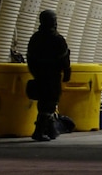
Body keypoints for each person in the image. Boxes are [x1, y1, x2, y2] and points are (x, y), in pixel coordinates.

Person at [25, 8, 70, 142]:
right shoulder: (57, 39)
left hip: (39, 74)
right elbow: (64, 58)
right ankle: (39, 131)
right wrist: (67, 72)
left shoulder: (35, 38)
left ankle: (51, 130)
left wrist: (35, 72)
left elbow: (30, 58)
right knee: (50, 102)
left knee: (43, 101)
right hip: (52, 75)